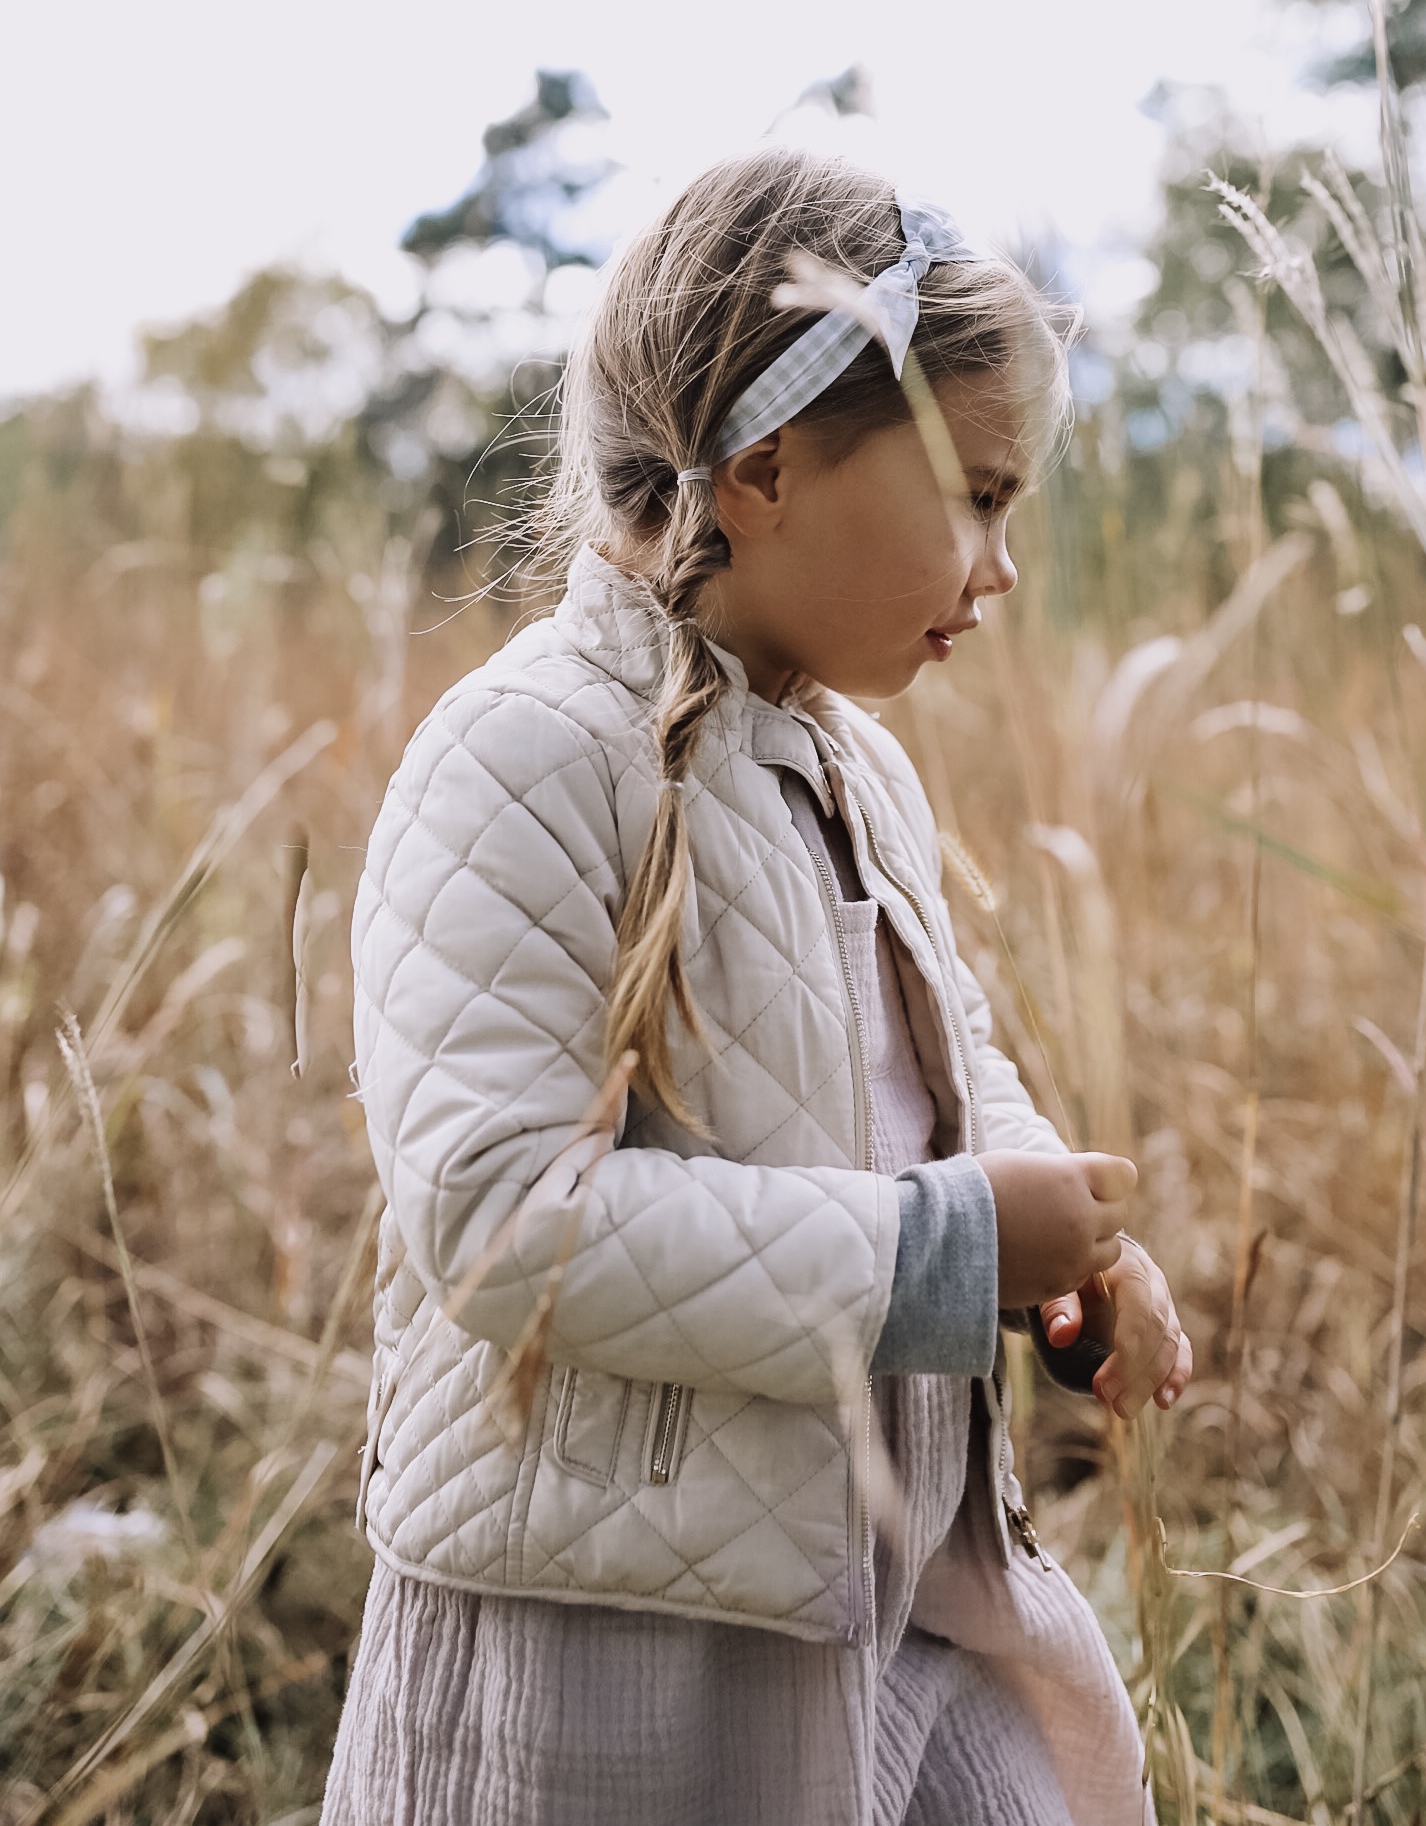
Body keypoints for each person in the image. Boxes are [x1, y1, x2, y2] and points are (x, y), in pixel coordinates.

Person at [322, 148, 1193, 1826]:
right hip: (610, 1622)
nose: (1002, 566)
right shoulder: (523, 757)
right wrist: (938, 1251)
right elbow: (503, 1218)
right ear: (770, 467)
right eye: (979, 495)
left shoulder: (857, 765)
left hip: (883, 1589)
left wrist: (1064, 1250)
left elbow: (944, 1073)